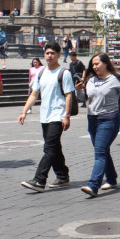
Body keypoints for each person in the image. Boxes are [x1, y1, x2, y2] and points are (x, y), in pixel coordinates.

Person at [77, 53, 120, 197]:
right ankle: (112, 179)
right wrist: (78, 91)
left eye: (97, 64)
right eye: (93, 65)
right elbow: (84, 98)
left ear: (106, 63)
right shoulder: (90, 80)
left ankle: (93, 184)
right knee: (102, 150)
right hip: (92, 120)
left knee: (100, 153)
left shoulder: (115, 80)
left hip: (109, 120)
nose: (94, 67)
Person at [17, 42, 76, 192]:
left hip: (58, 115)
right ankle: (63, 176)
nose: (49, 56)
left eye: (52, 53)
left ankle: (39, 180)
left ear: (58, 55)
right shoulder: (41, 73)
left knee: (49, 148)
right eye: (47, 53)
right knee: (54, 147)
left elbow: (69, 95)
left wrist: (67, 116)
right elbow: (34, 94)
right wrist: (24, 111)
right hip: (45, 116)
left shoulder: (64, 73)